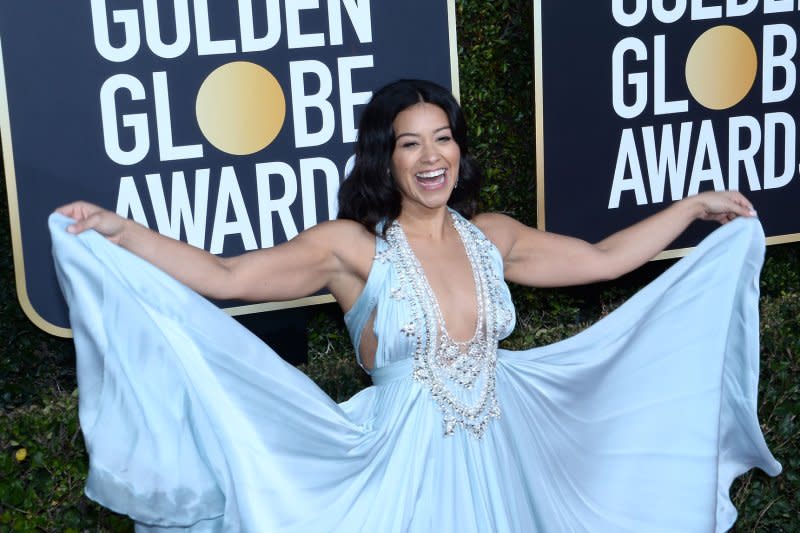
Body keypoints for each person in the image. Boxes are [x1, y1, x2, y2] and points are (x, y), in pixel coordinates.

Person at [52, 79, 780, 532]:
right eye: (411, 143)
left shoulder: (494, 237)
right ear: (386, 158)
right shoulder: (350, 248)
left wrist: (694, 206)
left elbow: (603, 258)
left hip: (512, 451)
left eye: (443, 139)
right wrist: (120, 229)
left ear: (458, 150)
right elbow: (225, 275)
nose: (432, 157)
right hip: (400, 468)